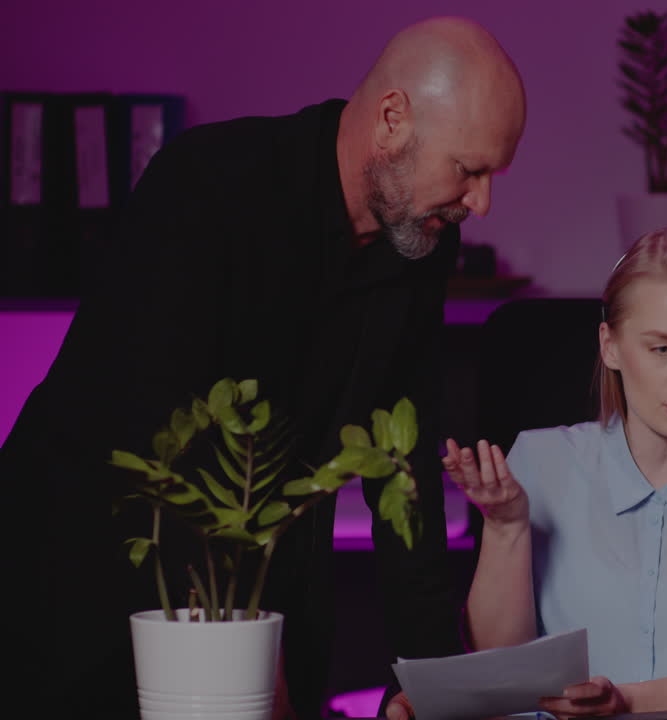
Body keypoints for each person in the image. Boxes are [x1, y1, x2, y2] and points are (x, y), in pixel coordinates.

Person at [0, 17, 525, 720]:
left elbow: (404, 469)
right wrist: (246, 664)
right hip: (77, 577)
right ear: (393, 120)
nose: (482, 203)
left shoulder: (422, 241)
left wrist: (424, 681)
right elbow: (161, 446)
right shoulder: (209, 183)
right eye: (469, 169)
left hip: (260, 596)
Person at [442, 226, 667, 718]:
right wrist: (505, 526)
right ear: (610, 346)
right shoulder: (538, 460)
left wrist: (625, 703)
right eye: (661, 349)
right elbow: (504, 668)